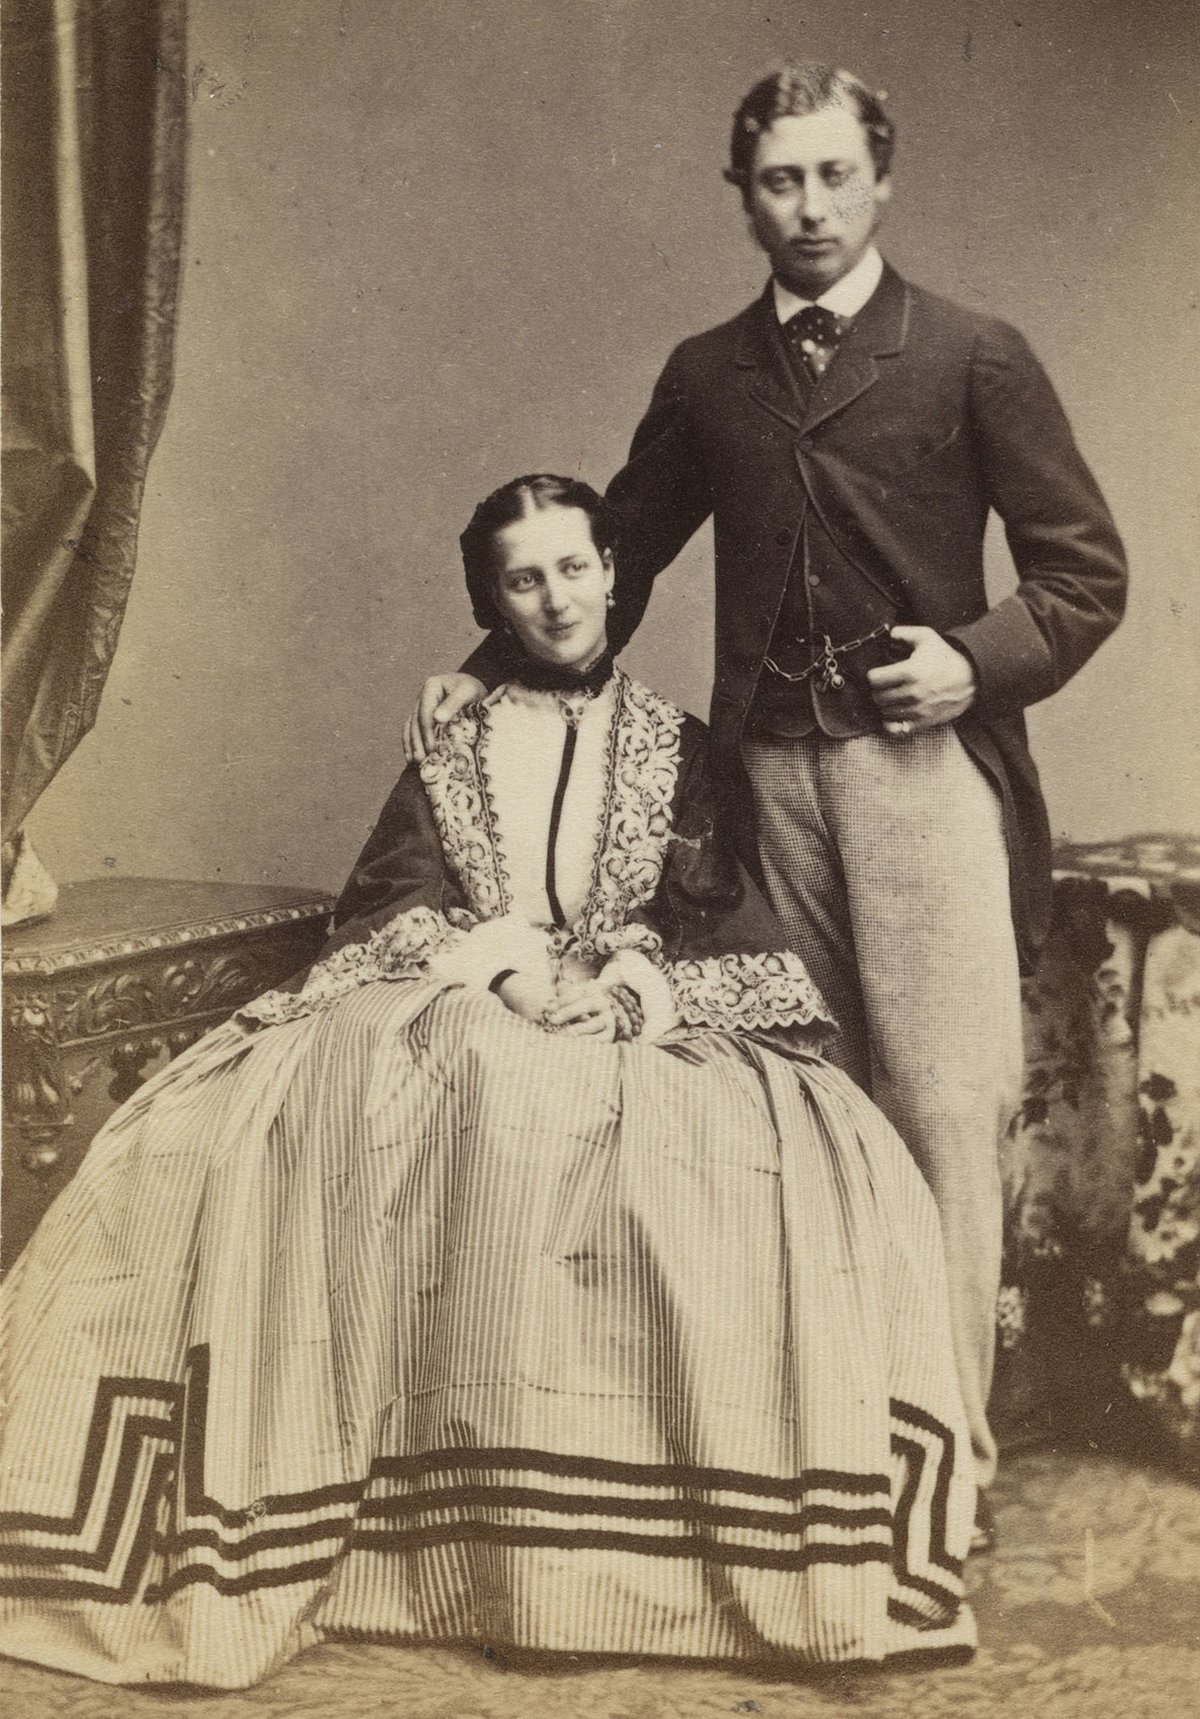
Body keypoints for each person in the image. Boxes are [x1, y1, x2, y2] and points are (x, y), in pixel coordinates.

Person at [0, 475, 977, 1688]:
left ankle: (639, 1562)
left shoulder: (678, 745)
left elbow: (712, 909)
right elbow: (391, 900)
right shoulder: (452, 742)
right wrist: (508, 975)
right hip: (467, 995)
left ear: (613, 575)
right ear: (493, 601)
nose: (555, 600)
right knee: (423, 1107)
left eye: (573, 569)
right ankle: (454, 1547)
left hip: (626, 1008)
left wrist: (624, 991)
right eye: (524, 579)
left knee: (759, 1159)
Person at [405, 65, 1129, 1523]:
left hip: (923, 777)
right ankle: (832, 1444)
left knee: (944, 1110)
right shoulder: (707, 371)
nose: (809, 207)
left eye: (834, 175)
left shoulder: (973, 353)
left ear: (882, 180)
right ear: (742, 195)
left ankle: (945, 1469)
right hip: (758, 789)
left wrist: (973, 662)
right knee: (795, 1104)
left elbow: (1083, 573)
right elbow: (618, 549)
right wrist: (481, 673)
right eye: (779, 180)